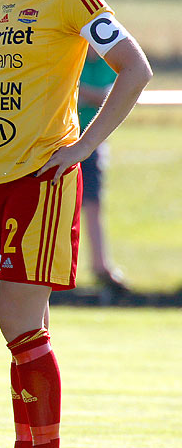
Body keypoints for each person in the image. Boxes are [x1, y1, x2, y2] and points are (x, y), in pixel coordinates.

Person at [0, 0, 152, 448]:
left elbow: (135, 67)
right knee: (13, 325)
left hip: (40, 178)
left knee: (22, 325)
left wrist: (81, 147)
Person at [77, 51, 130, 299]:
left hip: (93, 142)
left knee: (93, 203)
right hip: (64, 140)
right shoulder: (74, 58)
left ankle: (100, 265)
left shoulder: (110, 63)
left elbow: (115, 95)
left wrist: (86, 94)